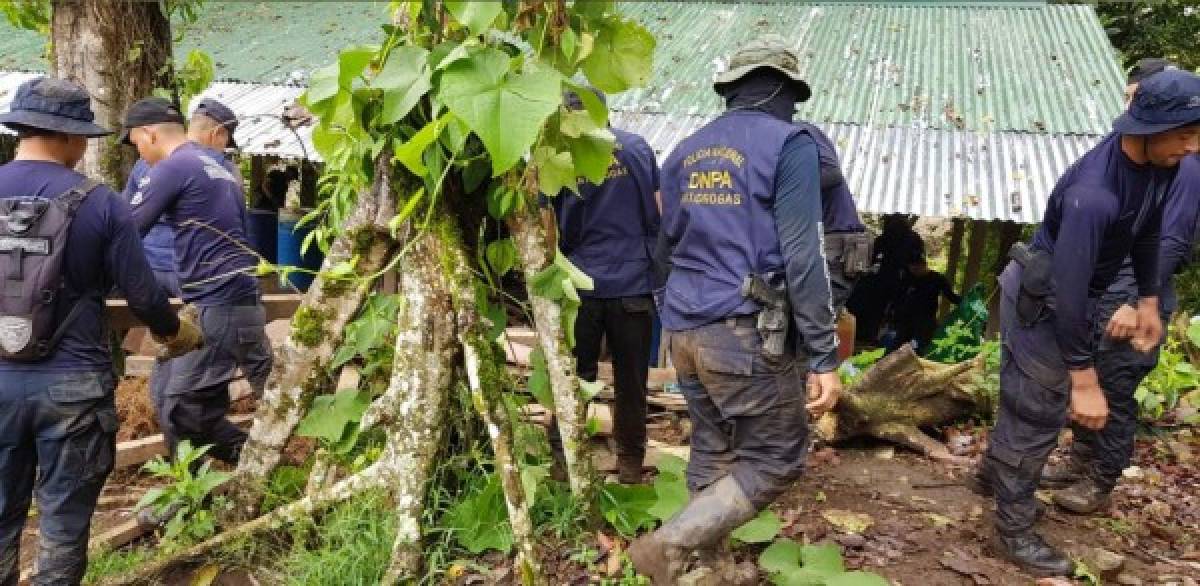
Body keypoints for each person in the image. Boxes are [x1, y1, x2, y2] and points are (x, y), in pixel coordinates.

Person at [968, 69, 1200, 577]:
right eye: (1185, 132)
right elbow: (1068, 296)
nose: (1193, 144)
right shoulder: (1095, 193)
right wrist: (1084, 379)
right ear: (1149, 126)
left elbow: (1149, 230)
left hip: (1077, 294)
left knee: (1031, 403)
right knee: (1037, 413)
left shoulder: (1155, 165)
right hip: (1044, 298)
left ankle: (991, 475)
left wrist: (1147, 299)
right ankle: (1013, 531)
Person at [630, 36, 841, 584]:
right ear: (786, 89)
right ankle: (670, 544)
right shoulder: (791, 143)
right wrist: (823, 354)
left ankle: (713, 569)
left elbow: (662, 247)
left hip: (683, 328)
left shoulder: (683, 151)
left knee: (712, 447)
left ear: (732, 89)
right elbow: (803, 254)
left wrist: (668, 311)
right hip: (743, 333)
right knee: (777, 458)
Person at [0, 77, 200, 585]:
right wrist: (177, 334)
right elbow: (144, 296)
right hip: (75, 390)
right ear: (70, 137)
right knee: (63, 526)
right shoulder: (100, 202)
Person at [1042, 59, 1200, 515]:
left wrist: (1138, 301)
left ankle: (1101, 477)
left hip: (1136, 293)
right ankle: (1080, 461)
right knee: (1095, 379)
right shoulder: (1128, 158)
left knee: (1115, 384)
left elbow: (1168, 236)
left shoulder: (1180, 164)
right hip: (1113, 290)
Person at [122, 97, 272, 466]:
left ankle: (246, 466)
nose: (139, 153)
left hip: (219, 301)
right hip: (231, 298)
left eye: (136, 143)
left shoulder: (175, 167)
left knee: (183, 407)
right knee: (165, 390)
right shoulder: (218, 166)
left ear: (148, 134)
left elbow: (124, 230)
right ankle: (200, 484)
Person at [550, 89, 660, 484]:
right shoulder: (636, 149)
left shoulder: (562, 159)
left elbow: (551, 227)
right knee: (632, 380)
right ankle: (629, 465)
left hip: (581, 284)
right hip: (634, 283)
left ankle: (564, 464)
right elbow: (658, 210)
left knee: (572, 376)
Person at [123, 98, 242, 298]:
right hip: (195, 274)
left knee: (154, 324)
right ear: (218, 134)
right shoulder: (224, 169)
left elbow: (127, 216)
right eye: (227, 142)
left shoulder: (146, 162)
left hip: (148, 265)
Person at [793, 121, 870, 311]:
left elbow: (832, 173)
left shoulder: (801, 132)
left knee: (816, 320)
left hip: (834, 245)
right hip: (827, 242)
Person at [847, 214, 924, 342]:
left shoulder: (904, 239)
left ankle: (880, 336)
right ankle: (877, 336)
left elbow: (917, 261)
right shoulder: (907, 238)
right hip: (890, 279)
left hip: (896, 279)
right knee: (882, 309)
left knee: (887, 310)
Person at [891, 256, 960, 353]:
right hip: (907, 320)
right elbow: (899, 298)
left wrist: (965, 301)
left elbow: (951, 296)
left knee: (917, 348)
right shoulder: (908, 278)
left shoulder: (937, 279)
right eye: (911, 269)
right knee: (896, 347)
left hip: (926, 321)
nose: (914, 272)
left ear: (924, 266)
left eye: (916, 269)